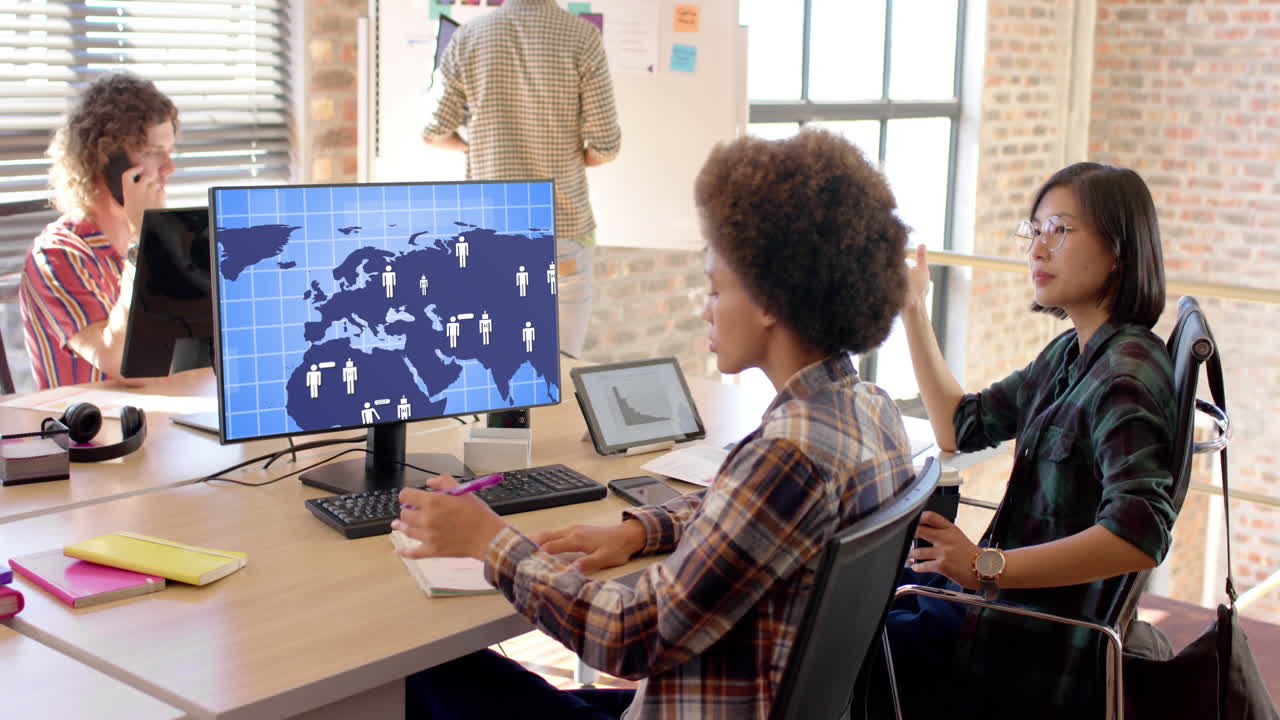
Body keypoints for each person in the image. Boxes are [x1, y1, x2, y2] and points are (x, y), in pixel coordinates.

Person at [394, 129, 914, 719]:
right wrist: (640, 532)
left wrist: (490, 542)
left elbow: (631, 634)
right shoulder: (869, 410)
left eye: (716, 288)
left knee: (418, 677)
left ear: (770, 300)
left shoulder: (787, 454)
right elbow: (748, 516)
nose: (705, 309)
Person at [887, 162, 1177, 717]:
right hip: (999, 607)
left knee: (848, 630)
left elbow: (1138, 535)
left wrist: (984, 566)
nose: (1037, 250)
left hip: (1028, 642)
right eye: (1034, 231)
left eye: (1059, 230)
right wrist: (912, 308)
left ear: (1119, 250)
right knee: (860, 592)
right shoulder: (1070, 355)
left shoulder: (1126, 378)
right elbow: (960, 425)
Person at [422, 0, 621, 358]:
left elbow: (434, 131)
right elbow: (606, 145)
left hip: (491, 234)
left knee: (499, 366)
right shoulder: (582, 36)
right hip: (562, 230)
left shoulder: (468, 37)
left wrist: (477, 148)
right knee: (559, 369)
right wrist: (570, 157)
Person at [19, 72, 177, 389]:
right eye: (151, 152)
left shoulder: (167, 243)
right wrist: (142, 240)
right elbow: (127, 364)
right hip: (99, 435)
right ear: (107, 160)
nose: (169, 168)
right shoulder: (57, 255)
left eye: (170, 151)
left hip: (172, 421)